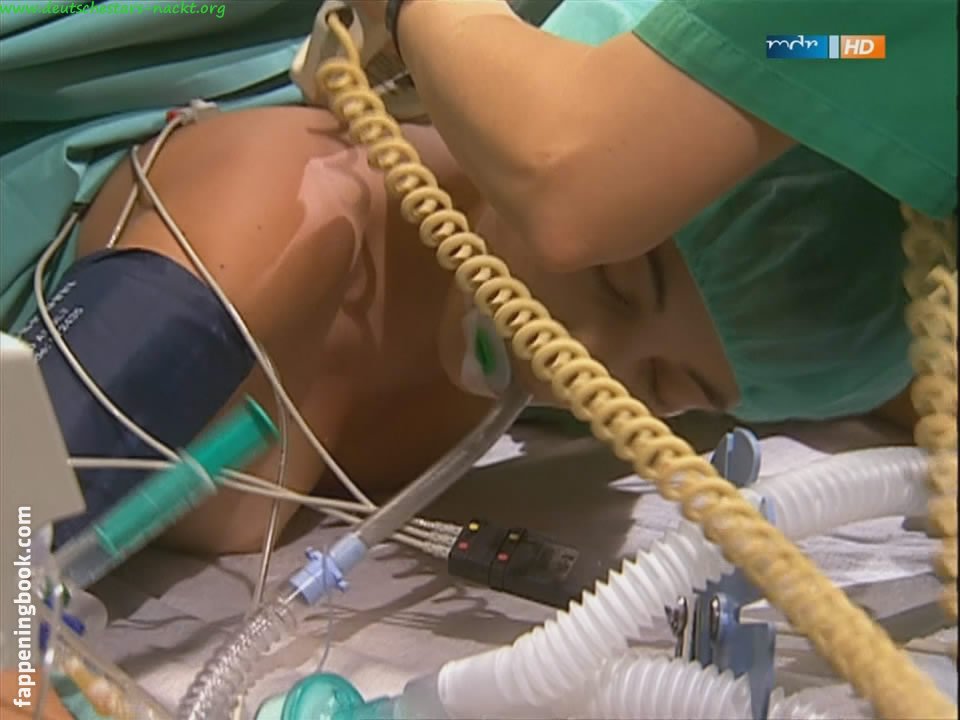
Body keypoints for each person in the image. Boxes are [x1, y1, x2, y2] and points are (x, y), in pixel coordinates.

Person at [17, 100, 913, 558]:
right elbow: (16, 489)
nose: (580, 369)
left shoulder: (619, 332)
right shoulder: (280, 224)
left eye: (667, 384)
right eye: (615, 283)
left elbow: (835, 333)